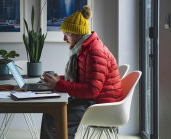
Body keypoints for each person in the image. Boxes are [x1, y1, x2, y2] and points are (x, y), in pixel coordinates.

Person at [40, 5, 123, 139]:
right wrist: (57, 79)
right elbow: (81, 78)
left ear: (77, 33)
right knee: (50, 112)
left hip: (100, 106)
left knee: (55, 122)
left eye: (66, 34)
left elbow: (92, 90)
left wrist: (59, 84)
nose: (64, 39)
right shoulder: (85, 49)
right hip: (92, 101)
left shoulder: (95, 52)